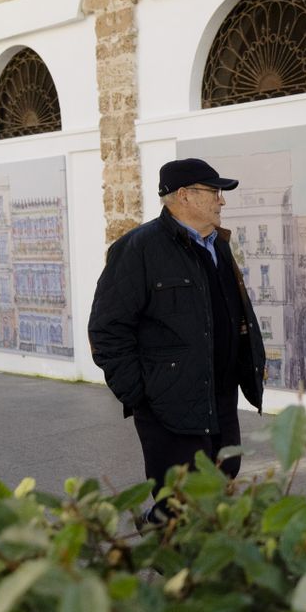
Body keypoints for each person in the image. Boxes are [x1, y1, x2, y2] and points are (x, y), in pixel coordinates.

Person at [89, 158, 266, 515]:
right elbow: (107, 329)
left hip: (220, 395)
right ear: (184, 195)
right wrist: (140, 394)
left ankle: (163, 529)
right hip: (167, 405)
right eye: (214, 192)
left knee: (222, 477)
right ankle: (165, 534)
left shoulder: (218, 244)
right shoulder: (137, 249)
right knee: (180, 496)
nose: (221, 200)